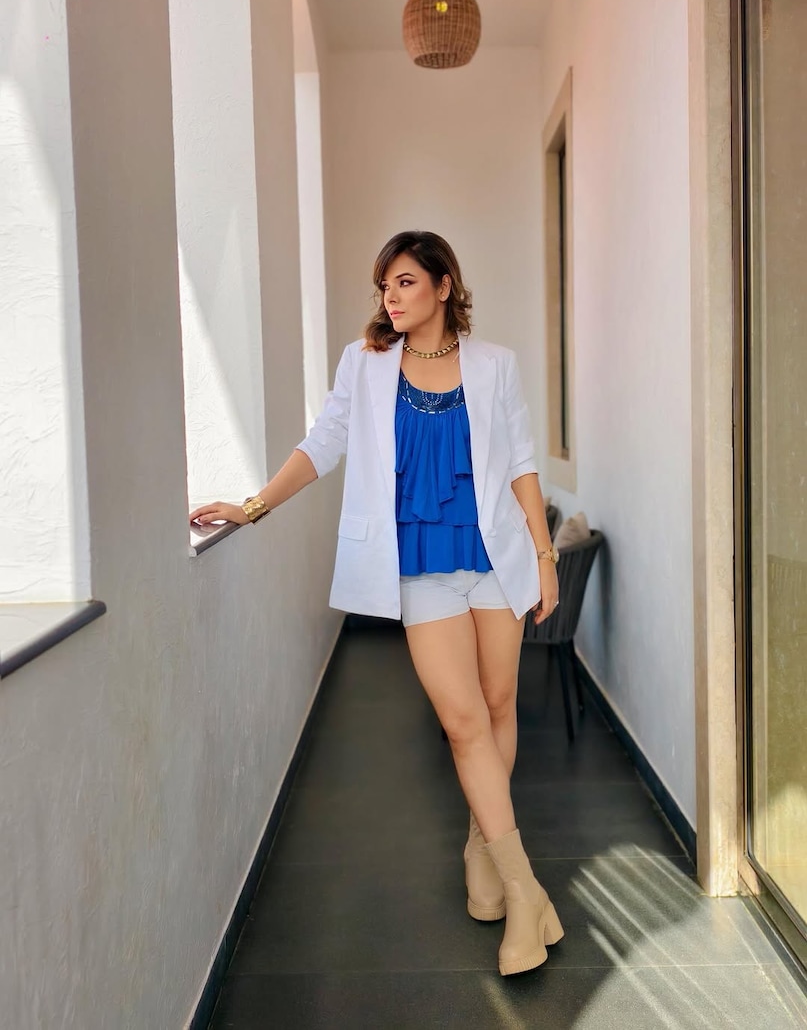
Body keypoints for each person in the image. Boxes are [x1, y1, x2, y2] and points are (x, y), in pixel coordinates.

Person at [190, 230, 564, 976]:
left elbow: (522, 462)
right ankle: (525, 892)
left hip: (496, 558)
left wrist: (544, 556)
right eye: (384, 286)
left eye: (405, 282)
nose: (390, 298)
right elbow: (323, 443)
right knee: (462, 723)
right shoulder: (364, 364)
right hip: (419, 563)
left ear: (444, 285)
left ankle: (481, 846)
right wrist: (253, 506)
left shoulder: (494, 364)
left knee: (498, 707)